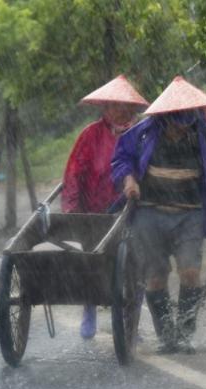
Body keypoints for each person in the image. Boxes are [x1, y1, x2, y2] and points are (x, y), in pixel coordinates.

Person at [111, 76, 206, 353]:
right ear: (164, 119)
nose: (179, 132)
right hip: (149, 214)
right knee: (155, 277)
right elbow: (121, 160)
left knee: (190, 272)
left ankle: (186, 332)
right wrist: (128, 179)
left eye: (185, 125)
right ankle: (167, 335)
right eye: (175, 126)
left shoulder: (204, 136)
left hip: (190, 214)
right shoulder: (142, 134)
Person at [62, 75, 149, 339]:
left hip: (134, 210)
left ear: (133, 109)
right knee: (94, 260)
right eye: (114, 105)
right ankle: (89, 308)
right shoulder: (90, 135)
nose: (121, 110)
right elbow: (73, 174)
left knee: (137, 263)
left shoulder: (143, 134)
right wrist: (72, 211)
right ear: (105, 108)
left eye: (126, 106)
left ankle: (131, 315)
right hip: (95, 212)